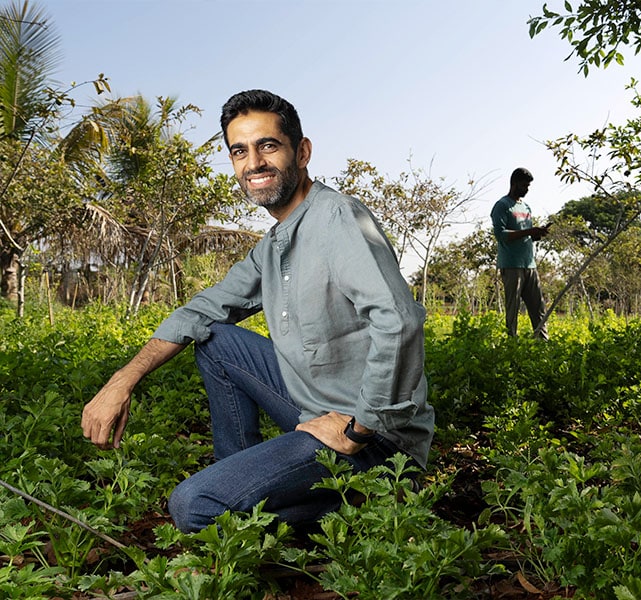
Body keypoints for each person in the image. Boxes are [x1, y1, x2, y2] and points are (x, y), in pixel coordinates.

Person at [80, 89, 434, 533]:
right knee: (216, 339)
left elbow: (398, 320)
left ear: (301, 152)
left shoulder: (337, 218)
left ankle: (368, 501)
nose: (254, 163)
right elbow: (203, 311)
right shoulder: (274, 245)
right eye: (239, 151)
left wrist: (359, 429)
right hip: (315, 413)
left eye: (268, 145)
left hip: (374, 440)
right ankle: (246, 477)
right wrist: (121, 380)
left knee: (195, 505)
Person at [490, 167, 550, 340]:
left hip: (529, 264)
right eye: (524, 185)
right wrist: (529, 231)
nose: (527, 189)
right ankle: (511, 343)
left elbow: (527, 235)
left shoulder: (526, 207)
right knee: (513, 308)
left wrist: (537, 234)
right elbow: (500, 235)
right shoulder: (502, 206)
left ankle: (543, 343)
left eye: (529, 186)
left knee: (538, 308)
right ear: (514, 183)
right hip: (511, 265)